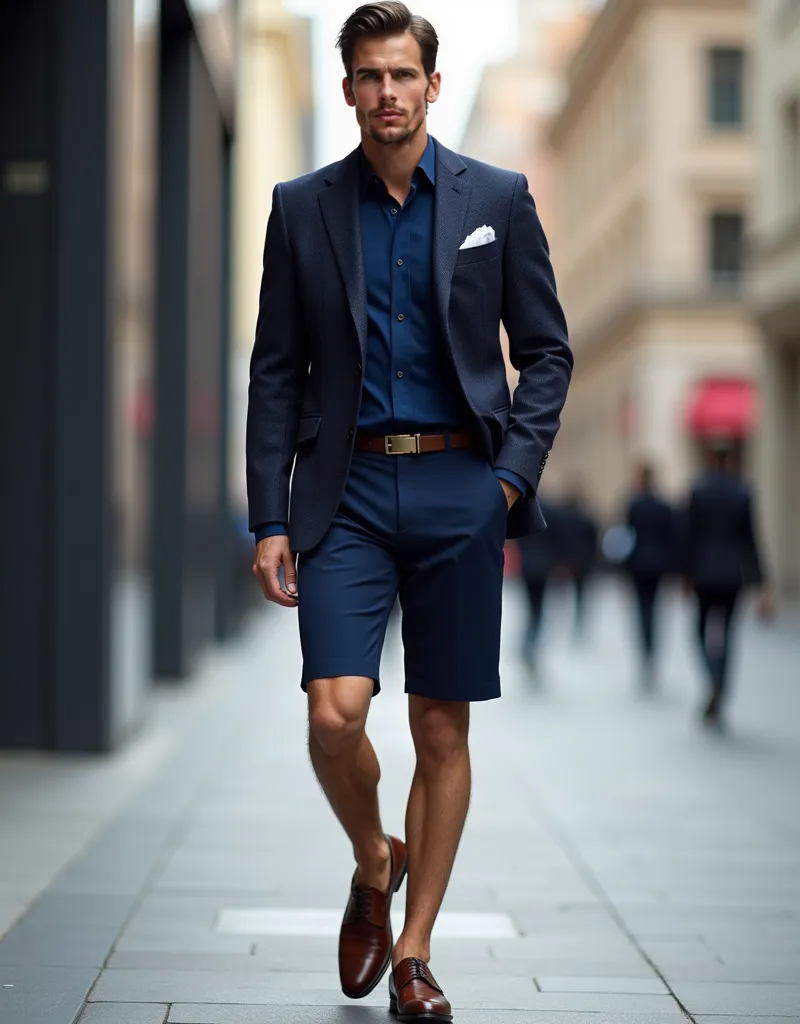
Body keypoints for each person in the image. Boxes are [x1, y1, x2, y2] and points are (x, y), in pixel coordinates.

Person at [246, 3, 572, 1018]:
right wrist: (268, 515)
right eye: (368, 75)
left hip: (456, 489)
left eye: (403, 74)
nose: (386, 92)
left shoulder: (499, 198)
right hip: (340, 492)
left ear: (432, 84)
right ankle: (370, 855)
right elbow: (273, 373)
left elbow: (547, 352)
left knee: (440, 727)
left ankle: (417, 951)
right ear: (345, 88)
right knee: (333, 713)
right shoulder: (302, 208)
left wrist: (507, 480)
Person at [682, 444, 773, 729]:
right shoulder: (742, 491)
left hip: (704, 573)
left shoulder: (699, 490)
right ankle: (720, 683)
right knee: (729, 635)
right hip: (734, 573)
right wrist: (762, 582)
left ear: (710, 458)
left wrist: (685, 573)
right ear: (730, 459)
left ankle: (712, 678)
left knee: (699, 630)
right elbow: (751, 538)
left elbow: (689, 535)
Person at [623, 464, 676, 690]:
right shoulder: (663, 506)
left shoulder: (634, 504)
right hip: (658, 565)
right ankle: (651, 650)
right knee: (653, 609)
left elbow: (626, 535)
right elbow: (671, 537)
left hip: (637, 564)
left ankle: (645, 650)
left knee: (642, 609)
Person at [516, 497, 562, 680]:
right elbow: (557, 538)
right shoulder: (551, 511)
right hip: (543, 566)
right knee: (538, 608)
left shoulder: (524, 508)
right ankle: (532, 641)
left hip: (527, 566)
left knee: (530, 607)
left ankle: (528, 641)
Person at [557, 483, 598, 637]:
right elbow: (593, 540)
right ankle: (578, 622)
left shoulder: (562, 516)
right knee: (581, 593)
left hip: (567, 560)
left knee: (562, 592)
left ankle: (564, 621)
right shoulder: (586, 517)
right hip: (583, 561)